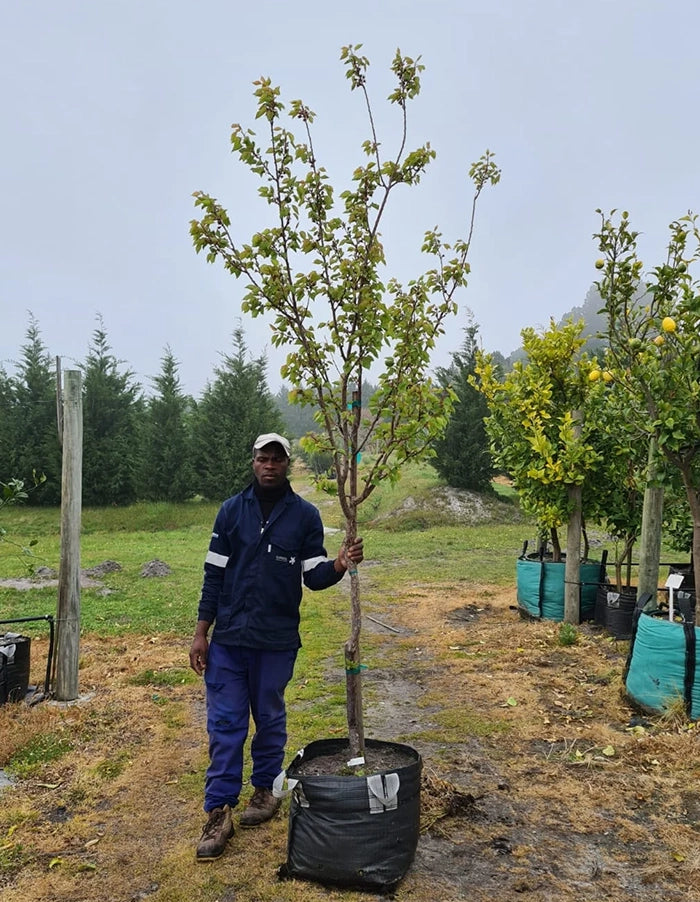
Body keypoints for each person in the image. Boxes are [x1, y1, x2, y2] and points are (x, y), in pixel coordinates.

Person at [189, 432, 363, 861]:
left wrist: (340, 563)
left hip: (276, 639)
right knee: (225, 724)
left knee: (268, 718)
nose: (269, 466)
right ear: (253, 463)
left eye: (277, 460)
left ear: (287, 465)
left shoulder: (304, 517)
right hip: (229, 639)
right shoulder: (231, 512)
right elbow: (213, 577)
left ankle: (264, 791)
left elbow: (314, 575)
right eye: (263, 459)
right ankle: (219, 812)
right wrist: (201, 631)